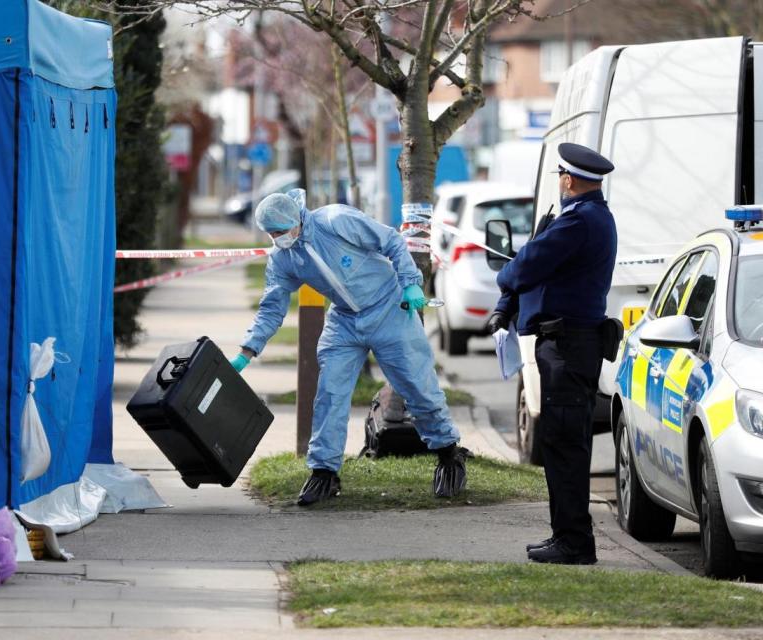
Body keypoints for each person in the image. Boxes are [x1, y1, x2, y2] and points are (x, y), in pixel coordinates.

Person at [230, 189, 466, 505]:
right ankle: (323, 472)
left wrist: (410, 283)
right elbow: (272, 307)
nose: (277, 239)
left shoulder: (337, 220)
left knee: (417, 386)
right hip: (344, 320)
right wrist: (248, 350)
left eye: (280, 232)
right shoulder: (283, 258)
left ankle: (448, 453)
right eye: (271, 234)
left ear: (296, 220)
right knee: (330, 392)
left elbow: (392, 242)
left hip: (389, 307)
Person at [486, 143, 617, 565]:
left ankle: (575, 542)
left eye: (561, 177)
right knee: (561, 442)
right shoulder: (584, 219)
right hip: (566, 345)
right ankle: (566, 536)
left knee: (564, 444)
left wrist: (507, 274)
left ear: (568, 179)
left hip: (569, 345)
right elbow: (536, 273)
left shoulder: (579, 223)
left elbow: (523, 267)